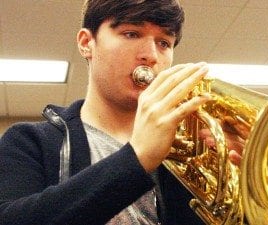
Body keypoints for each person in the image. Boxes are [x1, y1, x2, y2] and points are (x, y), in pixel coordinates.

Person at [0, 0, 243, 224]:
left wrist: (241, 178)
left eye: (164, 43)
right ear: (87, 43)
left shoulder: (187, 154)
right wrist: (137, 157)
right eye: (131, 34)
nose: (151, 55)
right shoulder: (28, 141)